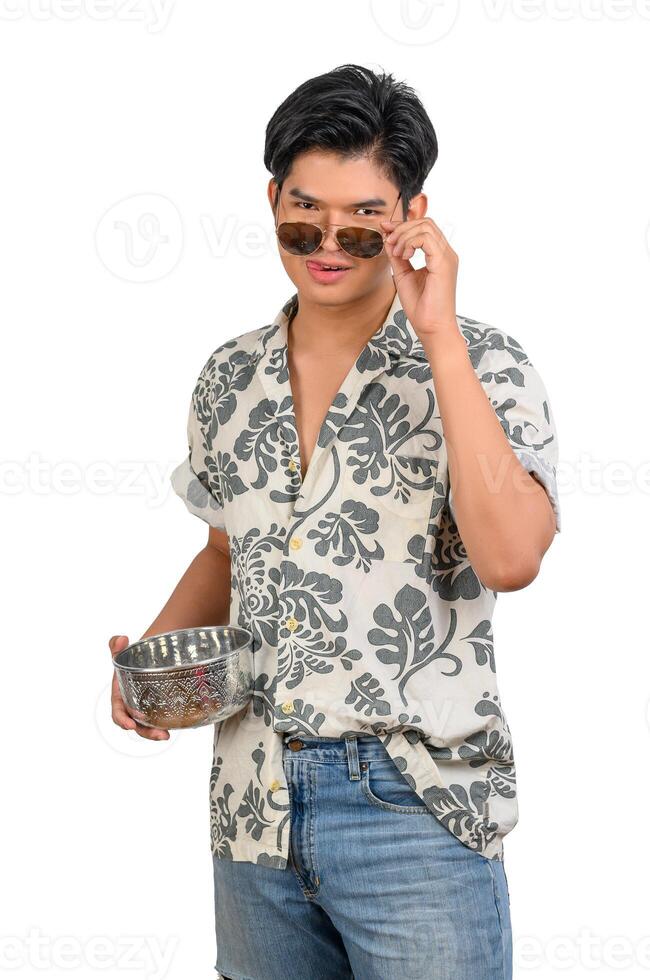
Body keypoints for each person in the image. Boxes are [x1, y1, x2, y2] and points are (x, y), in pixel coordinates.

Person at [110, 63, 561, 980]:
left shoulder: (488, 366)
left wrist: (438, 337)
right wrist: (151, 660)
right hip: (253, 800)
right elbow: (225, 551)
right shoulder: (227, 377)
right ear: (272, 195)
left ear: (413, 213)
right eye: (303, 211)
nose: (327, 241)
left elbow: (511, 558)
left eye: (365, 219)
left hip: (417, 805)